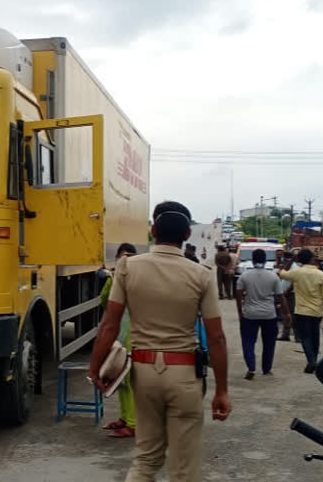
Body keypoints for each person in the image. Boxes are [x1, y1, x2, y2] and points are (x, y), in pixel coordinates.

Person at [88, 201, 231, 482]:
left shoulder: (127, 266)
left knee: (146, 459)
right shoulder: (201, 274)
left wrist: (95, 368)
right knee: (183, 468)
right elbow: (216, 336)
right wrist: (222, 390)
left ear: (153, 231)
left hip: (143, 372)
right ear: (187, 235)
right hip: (185, 374)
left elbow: (109, 324)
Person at [99, 243, 138, 438]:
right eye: (122, 257)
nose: (125, 261)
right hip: (119, 335)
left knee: (129, 380)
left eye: (129, 258)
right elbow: (104, 300)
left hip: (132, 335)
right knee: (120, 380)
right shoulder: (114, 278)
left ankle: (132, 424)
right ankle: (124, 418)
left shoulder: (137, 280)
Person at [235, 249, 290, 380]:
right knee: (269, 343)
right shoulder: (273, 276)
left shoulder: (245, 276)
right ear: (265, 260)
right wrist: (287, 313)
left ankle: (251, 367)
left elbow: (238, 296)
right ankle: (266, 369)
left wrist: (240, 312)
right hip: (269, 315)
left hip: (249, 314)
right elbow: (281, 297)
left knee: (248, 342)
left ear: (253, 260)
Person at [279, 248, 323, 373]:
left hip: (302, 312)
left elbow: (282, 273)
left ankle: (311, 361)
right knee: (315, 336)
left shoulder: (297, 273)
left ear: (299, 260)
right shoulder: (322, 275)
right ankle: (314, 360)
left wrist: (290, 261)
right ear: (312, 259)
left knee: (305, 338)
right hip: (317, 311)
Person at [277, 251, 300, 342]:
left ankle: (297, 336)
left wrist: (287, 292)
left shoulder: (294, 267)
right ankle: (285, 334)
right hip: (285, 293)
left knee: (292, 315)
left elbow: (294, 282)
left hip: (291, 294)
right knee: (285, 314)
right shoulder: (288, 266)